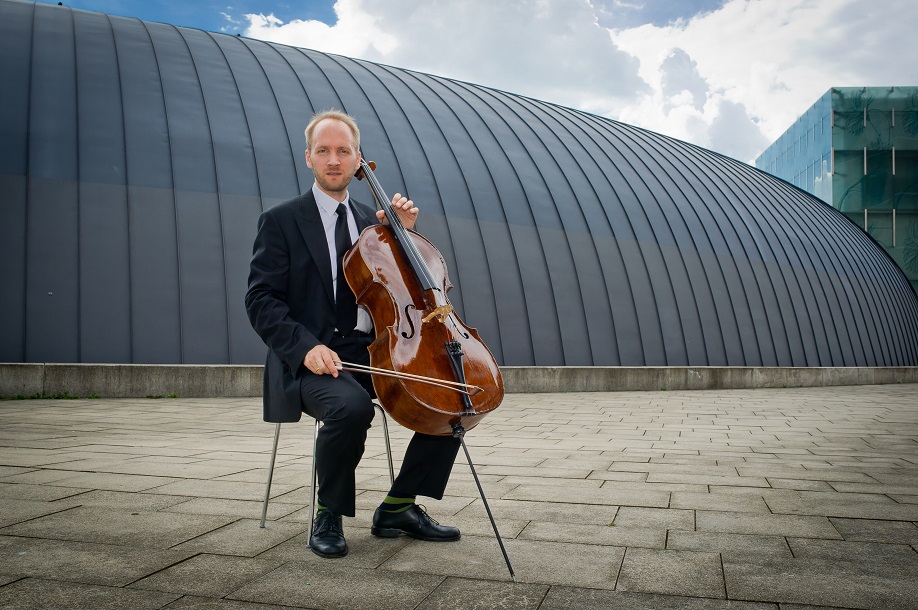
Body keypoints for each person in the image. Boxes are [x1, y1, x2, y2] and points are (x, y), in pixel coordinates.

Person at [245, 109, 462, 559]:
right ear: (308, 158)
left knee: (452, 396)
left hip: (372, 352)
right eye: (323, 150)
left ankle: (398, 507)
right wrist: (306, 348)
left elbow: (403, 289)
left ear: (357, 159)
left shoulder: (376, 222)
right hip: (311, 357)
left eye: (343, 151)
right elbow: (261, 300)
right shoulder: (281, 220)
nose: (333, 159)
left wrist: (405, 235)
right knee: (351, 407)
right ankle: (329, 511)